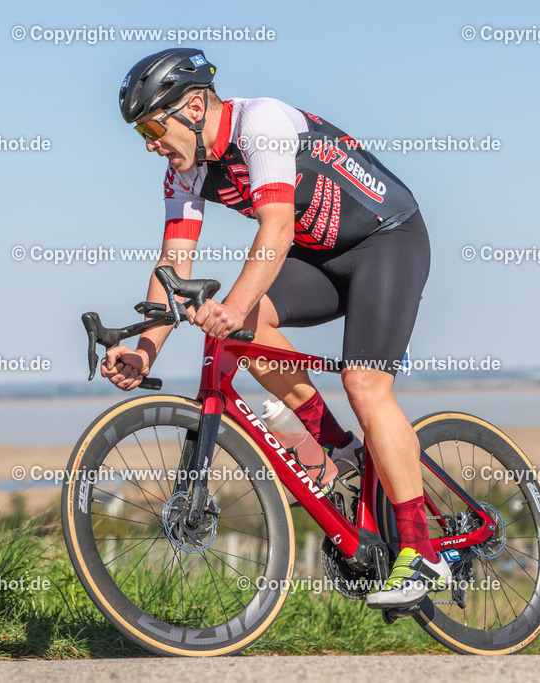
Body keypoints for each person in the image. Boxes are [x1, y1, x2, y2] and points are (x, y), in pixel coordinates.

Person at [101, 48, 450, 610]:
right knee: (242, 327)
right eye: (140, 132)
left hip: (387, 241)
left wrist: (234, 306)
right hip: (322, 257)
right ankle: (341, 451)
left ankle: (422, 551)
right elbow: (172, 265)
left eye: (152, 127)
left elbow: (277, 229)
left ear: (194, 107)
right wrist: (146, 351)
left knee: (364, 385)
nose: (149, 144)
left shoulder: (259, 123)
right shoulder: (185, 170)